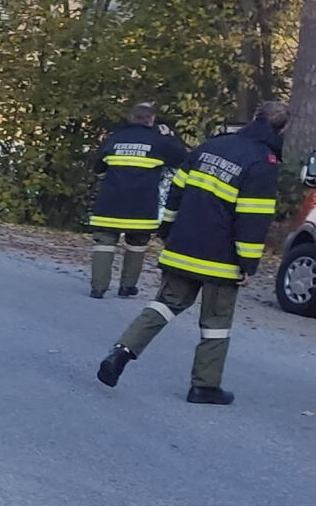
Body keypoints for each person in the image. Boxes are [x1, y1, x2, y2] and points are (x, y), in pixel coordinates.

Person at [97, 99, 285, 405]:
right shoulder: (262, 162)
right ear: (282, 129)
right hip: (221, 258)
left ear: (254, 117)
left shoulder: (212, 146)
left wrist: (167, 230)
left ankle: (121, 352)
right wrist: (248, 263)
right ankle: (204, 386)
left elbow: (177, 189)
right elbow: (254, 216)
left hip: (183, 246)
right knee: (216, 323)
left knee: (164, 304)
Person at [84, 102, 189, 298]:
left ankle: (98, 287)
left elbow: (98, 167)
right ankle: (127, 286)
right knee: (137, 243)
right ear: (152, 119)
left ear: (131, 118)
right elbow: (182, 158)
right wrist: (169, 136)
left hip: (110, 203)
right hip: (142, 205)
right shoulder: (159, 141)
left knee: (104, 242)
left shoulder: (115, 137)